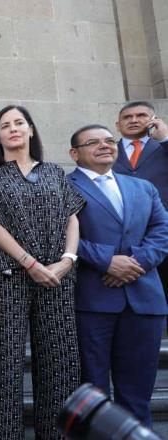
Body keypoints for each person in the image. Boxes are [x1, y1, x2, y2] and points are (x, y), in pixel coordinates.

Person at [0, 105, 85, 439]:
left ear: (31, 130)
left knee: (60, 360)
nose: (13, 129)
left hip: (58, 278)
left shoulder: (54, 172)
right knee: (6, 361)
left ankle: (55, 433)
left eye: (19, 123)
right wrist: (30, 263)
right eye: (5, 125)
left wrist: (67, 260)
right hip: (11, 276)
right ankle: (8, 434)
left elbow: (72, 217)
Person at [68, 124, 168, 426]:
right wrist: (107, 261)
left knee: (137, 393)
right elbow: (57, 235)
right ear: (74, 153)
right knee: (94, 394)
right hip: (92, 302)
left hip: (144, 301)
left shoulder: (143, 187)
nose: (105, 145)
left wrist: (133, 263)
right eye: (93, 142)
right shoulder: (62, 186)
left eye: (109, 140)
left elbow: (161, 232)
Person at [112, 101, 168, 302]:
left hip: (163, 235)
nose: (134, 120)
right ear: (118, 125)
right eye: (127, 117)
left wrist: (165, 139)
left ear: (154, 120)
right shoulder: (108, 151)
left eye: (141, 115)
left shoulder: (163, 146)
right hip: (124, 242)